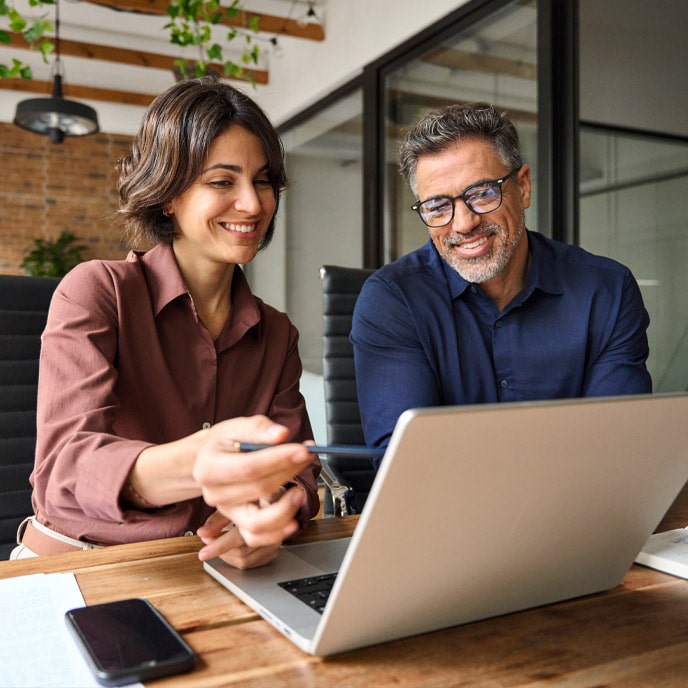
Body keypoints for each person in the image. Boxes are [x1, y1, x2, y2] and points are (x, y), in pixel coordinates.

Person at [13, 76, 320, 567]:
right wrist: (194, 464)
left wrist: (271, 519)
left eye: (262, 180)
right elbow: (63, 470)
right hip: (81, 563)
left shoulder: (276, 333)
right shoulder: (97, 292)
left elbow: (300, 474)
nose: (253, 203)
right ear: (168, 194)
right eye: (223, 181)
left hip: (202, 567)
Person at [351, 102, 652, 469]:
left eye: (481, 193)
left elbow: (617, 447)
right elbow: (405, 464)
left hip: (578, 516)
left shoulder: (607, 290)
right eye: (437, 206)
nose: (462, 223)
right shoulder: (393, 300)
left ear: (522, 187)